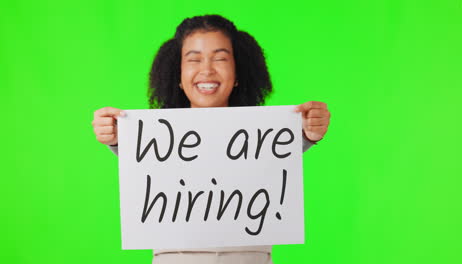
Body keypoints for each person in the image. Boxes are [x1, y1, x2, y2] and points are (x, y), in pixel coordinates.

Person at [92, 14, 331, 264]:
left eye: (220, 58)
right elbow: (143, 160)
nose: (206, 70)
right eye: (194, 59)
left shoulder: (266, 135)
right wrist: (117, 138)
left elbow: (277, 157)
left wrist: (306, 134)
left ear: (238, 73)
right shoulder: (153, 138)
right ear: (178, 75)